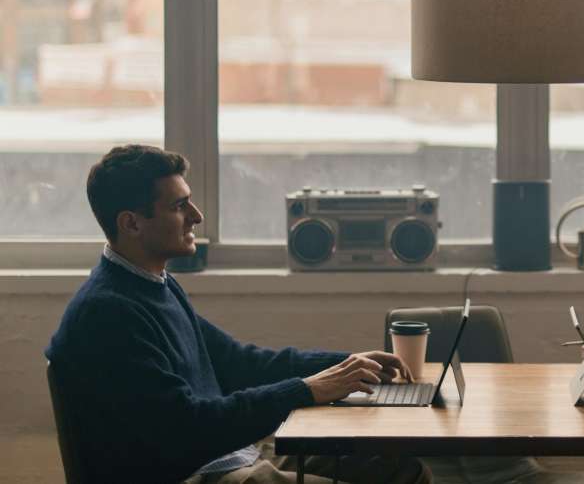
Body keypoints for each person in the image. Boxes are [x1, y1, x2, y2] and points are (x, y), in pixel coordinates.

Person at [45, 145, 431, 484]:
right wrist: (308, 389)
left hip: (225, 460)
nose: (196, 216)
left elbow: (239, 362)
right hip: (191, 474)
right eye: (179, 206)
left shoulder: (154, 285)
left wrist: (348, 365)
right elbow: (188, 426)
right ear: (131, 223)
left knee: (399, 467)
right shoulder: (108, 314)